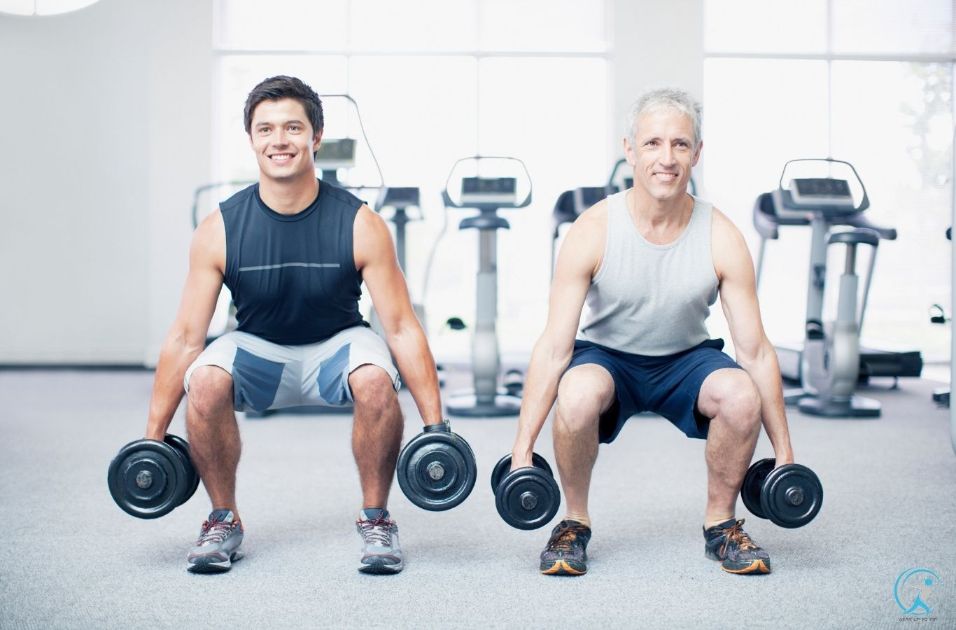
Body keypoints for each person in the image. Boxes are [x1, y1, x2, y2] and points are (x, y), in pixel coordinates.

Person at [143, 75, 443, 575]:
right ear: (251, 139)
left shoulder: (360, 223)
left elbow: (402, 328)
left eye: (292, 128)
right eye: (265, 129)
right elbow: (185, 337)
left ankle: (376, 518)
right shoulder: (219, 228)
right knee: (206, 379)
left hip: (336, 345)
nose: (278, 141)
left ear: (315, 137)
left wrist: (437, 427)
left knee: (374, 379)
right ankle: (223, 518)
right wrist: (152, 438)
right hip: (258, 347)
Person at [508, 87, 794, 576]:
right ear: (629, 149)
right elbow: (556, 347)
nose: (667, 158)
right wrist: (520, 452)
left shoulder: (721, 234)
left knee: (740, 394)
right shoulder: (593, 229)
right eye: (653, 144)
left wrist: (785, 456)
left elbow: (756, 351)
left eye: (680, 145)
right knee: (575, 394)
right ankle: (573, 521)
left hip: (686, 359)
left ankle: (721, 527)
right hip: (608, 357)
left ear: (697, 154)